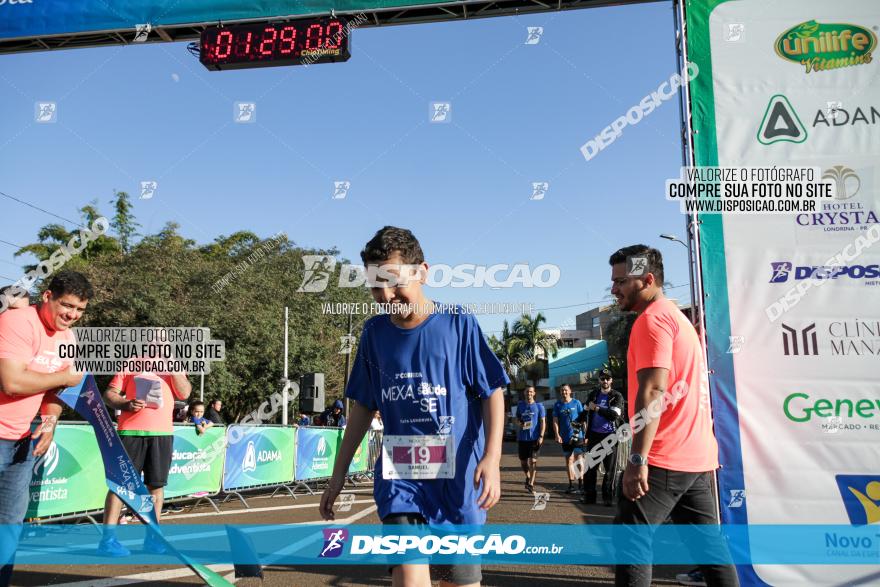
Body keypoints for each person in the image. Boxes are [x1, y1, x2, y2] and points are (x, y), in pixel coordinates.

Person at [319, 226, 508, 587]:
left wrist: (493, 459)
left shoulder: (458, 324)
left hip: (459, 481)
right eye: (376, 286)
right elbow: (362, 406)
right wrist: (339, 473)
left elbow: (492, 392)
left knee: (461, 582)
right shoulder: (374, 334)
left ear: (422, 271)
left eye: (393, 281)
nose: (386, 295)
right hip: (401, 477)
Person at [609, 245, 738, 587]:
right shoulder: (677, 318)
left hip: (664, 455)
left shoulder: (652, 321)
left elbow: (653, 391)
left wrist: (637, 459)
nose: (613, 289)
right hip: (695, 457)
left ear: (648, 280)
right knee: (710, 551)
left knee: (631, 539)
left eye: (622, 281)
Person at [0, 271, 91, 586]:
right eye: (67, 305)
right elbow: (12, 382)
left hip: (24, 439)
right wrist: (66, 377)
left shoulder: (69, 337)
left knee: (10, 523)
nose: (72, 315)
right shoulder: (18, 321)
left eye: (80, 310)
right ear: (47, 296)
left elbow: (53, 393)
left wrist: (50, 422)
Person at [98, 368, 192, 556]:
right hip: (130, 432)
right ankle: (107, 541)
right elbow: (109, 394)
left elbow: (185, 393)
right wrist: (125, 404)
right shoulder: (131, 361)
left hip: (162, 433)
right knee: (119, 486)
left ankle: (153, 539)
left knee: (155, 487)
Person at [577, 369, 624, 506]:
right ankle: (589, 497)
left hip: (610, 436)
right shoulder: (594, 394)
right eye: (602, 378)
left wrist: (596, 408)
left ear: (611, 381)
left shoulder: (617, 396)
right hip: (594, 436)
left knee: (609, 470)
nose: (605, 381)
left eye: (607, 378)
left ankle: (607, 498)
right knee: (590, 468)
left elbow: (613, 415)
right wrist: (577, 421)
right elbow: (585, 409)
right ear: (599, 380)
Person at [552, 384, 584, 494]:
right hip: (565, 437)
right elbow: (555, 421)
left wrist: (586, 434)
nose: (564, 392)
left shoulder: (577, 403)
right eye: (562, 391)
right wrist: (557, 434)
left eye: (565, 390)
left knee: (579, 458)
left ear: (570, 391)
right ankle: (571, 485)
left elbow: (583, 419)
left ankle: (581, 484)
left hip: (578, 435)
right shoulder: (558, 405)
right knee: (569, 460)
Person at [516, 386, 545, 493]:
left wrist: (541, 436)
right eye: (527, 391)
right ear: (524, 393)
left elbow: (543, 422)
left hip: (534, 439)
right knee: (523, 462)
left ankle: (531, 484)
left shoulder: (539, 406)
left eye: (531, 392)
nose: (529, 393)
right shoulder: (520, 405)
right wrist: (519, 422)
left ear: (534, 393)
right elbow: (517, 418)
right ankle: (528, 477)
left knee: (533, 461)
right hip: (523, 439)